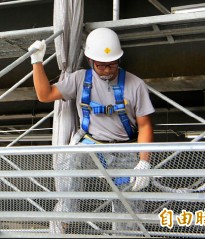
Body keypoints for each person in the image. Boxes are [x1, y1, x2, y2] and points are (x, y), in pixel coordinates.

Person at [29, 27, 155, 233]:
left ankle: (128, 233)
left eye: (112, 64)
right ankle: (62, 224)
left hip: (123, 151)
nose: (107, 70)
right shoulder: (80, 79)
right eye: (101, 65)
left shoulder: (135, 85)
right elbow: (45, 94)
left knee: (129, 201)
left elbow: (145, 125)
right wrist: (37, 61)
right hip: (91, 145)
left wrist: (144, 161)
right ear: (90, 60)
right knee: (68, 174)